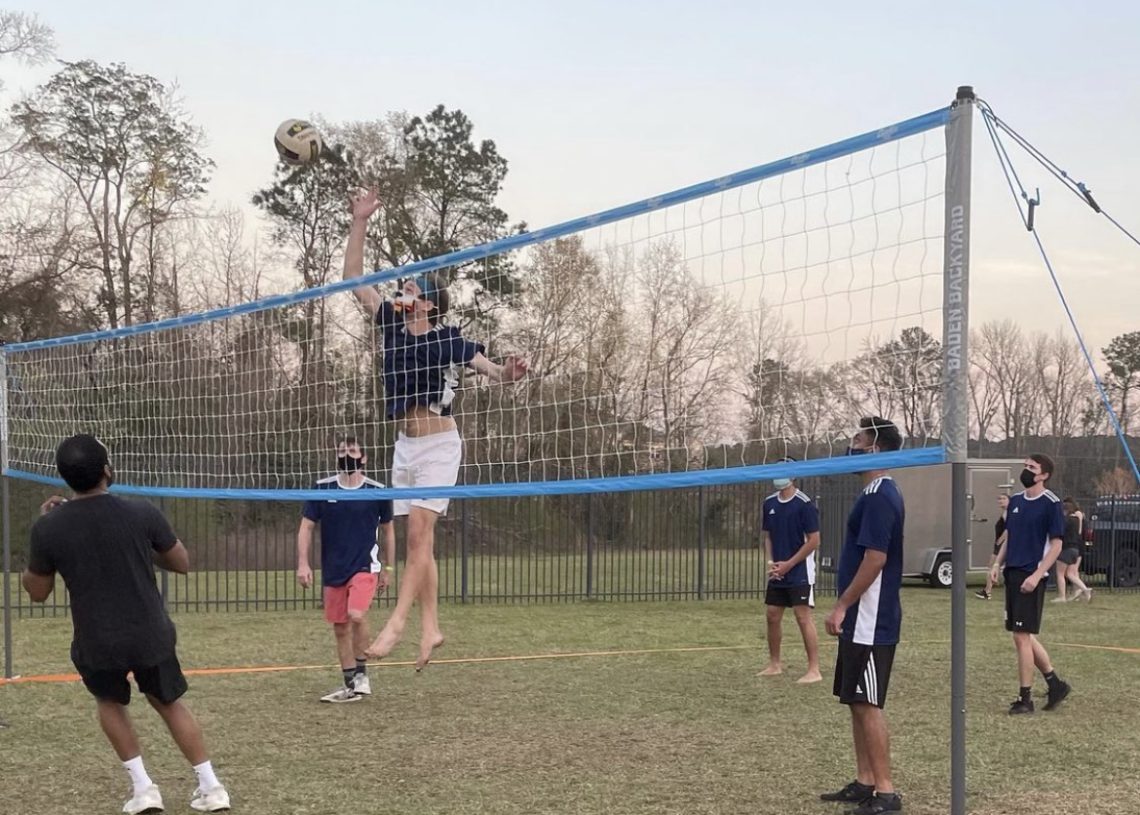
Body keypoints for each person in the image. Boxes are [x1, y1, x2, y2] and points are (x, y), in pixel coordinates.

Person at [343, 188, 527, 670]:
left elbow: (493, 372)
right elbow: (353, 279)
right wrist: (360, 220)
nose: (401, 293)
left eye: (410, 290)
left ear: (426, 304)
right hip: (405, 446)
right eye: (402, 289)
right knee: (421, 544)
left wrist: (510, 373)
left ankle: (397, 624)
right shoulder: (390, 325)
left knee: (418, 538)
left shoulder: (449, 340)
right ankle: (431, 626)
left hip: (441, 444)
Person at [21, 434, 230, 813]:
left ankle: (144, 789)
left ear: (64, 477)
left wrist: (44, 534)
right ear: (107, 470)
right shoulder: (141, 512)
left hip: (97, 637)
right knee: (169, 703)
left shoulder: (48, 527)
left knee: (109, 702)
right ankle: (211, 787)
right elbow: (181, 562)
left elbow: (37, 591)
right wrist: (138, 546)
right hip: (150, 631)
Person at [820, 417, 905, 815]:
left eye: (858, 439)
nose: (850, 445)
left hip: (872, 620)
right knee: (856, 701)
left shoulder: (880, 495)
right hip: (860, 619)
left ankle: (886, 793)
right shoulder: (871, 493)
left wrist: (842, 604)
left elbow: (876, 559)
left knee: (869, 703)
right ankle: (865, 781)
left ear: (876, 449)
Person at [297, 436, 395, 702]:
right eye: (342, 451)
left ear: (363, 457)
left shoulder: (376, 490)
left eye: (352, 450)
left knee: (356, 615)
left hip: (365, 565)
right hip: (334, 569)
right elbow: (306, 527)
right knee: (340, 627)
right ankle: (350, 685)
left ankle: (362, 675)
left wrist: (388, 568)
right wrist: (303, 563)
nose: (346, 455)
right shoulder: (323, 488)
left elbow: (388, 531)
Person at [989, 453, 1071, 714]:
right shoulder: (1016, 501)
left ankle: (1025, 699)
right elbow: (1010, 537)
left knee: (1021, 636)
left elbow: (1056, 545)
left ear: (1044, 475)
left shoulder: (1051, 503)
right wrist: (996, 564)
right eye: (1025, 466)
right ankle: (1055, 683)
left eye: (1032, 467)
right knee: (1022, 633)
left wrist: (1037, 575)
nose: (1026, 470)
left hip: (1031, 575)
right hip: (1013, 573)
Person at [757, 465, 822, 684]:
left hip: (800, 570)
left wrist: (790, 564)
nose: (778, 476)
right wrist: (772, 563)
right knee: (772, 615)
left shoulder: (804, 504)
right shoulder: (769, 503)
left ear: (793, 476)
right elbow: (768, 536)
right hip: (778, 571)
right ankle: (775, 664)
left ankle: (814, 669)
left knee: (802, 617)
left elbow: (814, 541)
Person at [1052, 497, 1092, 603]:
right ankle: (1084, 589)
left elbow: (1060, 532)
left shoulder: (1066, 520)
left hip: (1066, 548)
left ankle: (1062, 596)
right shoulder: (1076, 520)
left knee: (1060, 573)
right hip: (1075, 549)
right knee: (1070, 573)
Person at [975, 493, 1009, 600]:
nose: (1001, 501)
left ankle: (987, 592)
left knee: (992, 565)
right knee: (993, 566)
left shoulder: (1009, 513)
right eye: (999, 499)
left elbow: (1009, 529)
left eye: (1004, 498)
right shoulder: (1005, 513)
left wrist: (1000, 540)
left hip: (1003, 544)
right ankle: (987, 589)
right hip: (1000, 544)